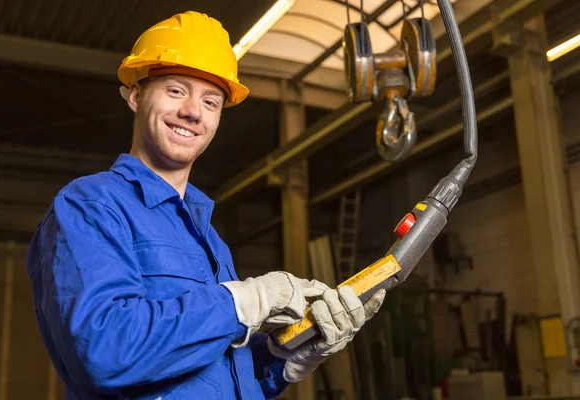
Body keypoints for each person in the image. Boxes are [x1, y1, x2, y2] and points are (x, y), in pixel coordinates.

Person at [25, 11, 386, 400]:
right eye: (176, 90)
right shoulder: (91, 206)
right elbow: (104, 351)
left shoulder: (207, 238)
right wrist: (246, 302)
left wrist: (292, 355)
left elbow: (217, 374)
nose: (193, 112)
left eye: (210, 101)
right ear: (135, 95)